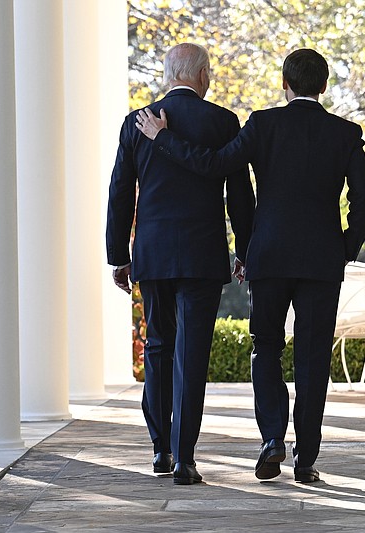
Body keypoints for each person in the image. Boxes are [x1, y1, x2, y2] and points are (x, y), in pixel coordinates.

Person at [135, 48, 365, 483]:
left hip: (269, 257)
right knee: (313, 356)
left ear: (285, 84)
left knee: (266, 347)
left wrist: (161, 138)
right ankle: (306, 460)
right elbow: (363, 201)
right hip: (322, 260)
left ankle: (271, 440)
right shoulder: (346, 133)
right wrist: (344, 248)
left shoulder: (263, 124)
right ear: (323, 86)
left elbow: (213, 166)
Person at [106, 43, 255, 485]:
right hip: (203, 253)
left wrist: (119, 256)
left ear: (168, 75)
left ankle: (159, 450)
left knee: (157, 347)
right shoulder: (224, 122)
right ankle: (185, 455)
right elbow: (240, 196)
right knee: (192, 354)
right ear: (204, 75)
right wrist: (243, 249)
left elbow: (119, 194)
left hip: (152, 253)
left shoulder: (137, 123)